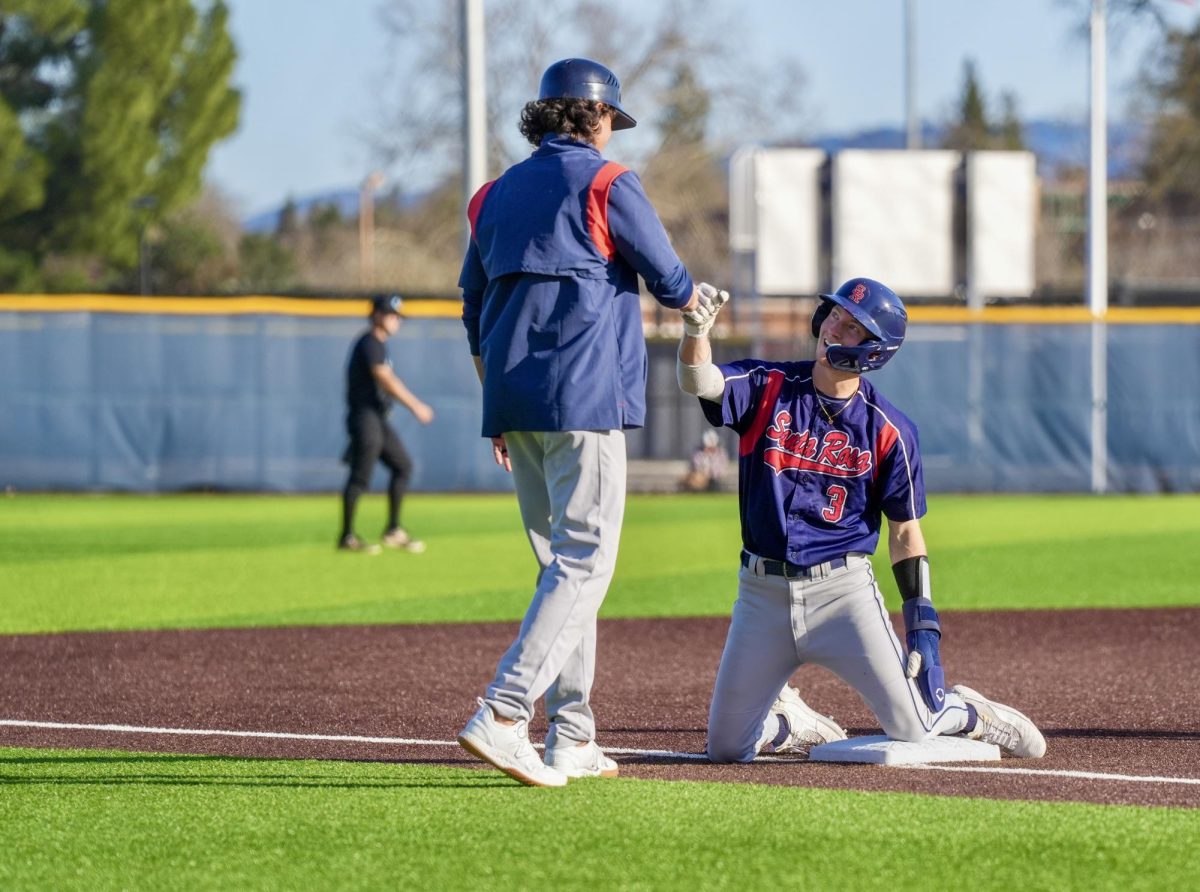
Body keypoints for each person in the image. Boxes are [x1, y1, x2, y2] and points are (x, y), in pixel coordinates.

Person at [455, 57, 725, 786]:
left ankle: (571, 735)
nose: (611, 131)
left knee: (561, 570)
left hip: (514, 402)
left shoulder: (490, 197)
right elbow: (670, 282)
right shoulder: (608, 181)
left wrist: (498, 413)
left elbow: (474, 314)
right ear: (595, 118)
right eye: (610, 119)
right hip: (585, 397)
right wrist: (694, 301)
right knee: (585, 562)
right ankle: (506, 713)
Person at [676, 277, 1047, 762]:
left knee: (916, 725)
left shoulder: (889, 430)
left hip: (842, 595)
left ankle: (968, 713)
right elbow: (700, 381)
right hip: (761, 594)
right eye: (833, 315)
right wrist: (694, 331)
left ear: (874, 349)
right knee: (726, 748)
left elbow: (906, 531)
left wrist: (923, 626)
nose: (834, 329)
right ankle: (790, 724)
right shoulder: (770, 386)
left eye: (852, 327)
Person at [338, 293, 435, 554]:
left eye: (398, 316)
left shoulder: (379, 344)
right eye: (392, 315)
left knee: (402, 465)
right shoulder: (369, 342)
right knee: (361, 475)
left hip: (377, 418)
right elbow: (385, 378)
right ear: (378, 315)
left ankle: (393, 529)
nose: (396, 321)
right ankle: (346, 536)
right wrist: (415, 405)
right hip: (364, 416)